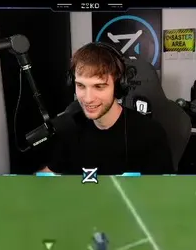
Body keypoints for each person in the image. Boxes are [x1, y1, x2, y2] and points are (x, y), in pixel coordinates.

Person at [42, 43, 174, 176]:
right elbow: (47, 176)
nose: (88, 99)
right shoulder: (69, 129)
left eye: (99, 87)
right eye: (81, 86)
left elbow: (163, 187)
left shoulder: (150, 134)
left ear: (118, 86)